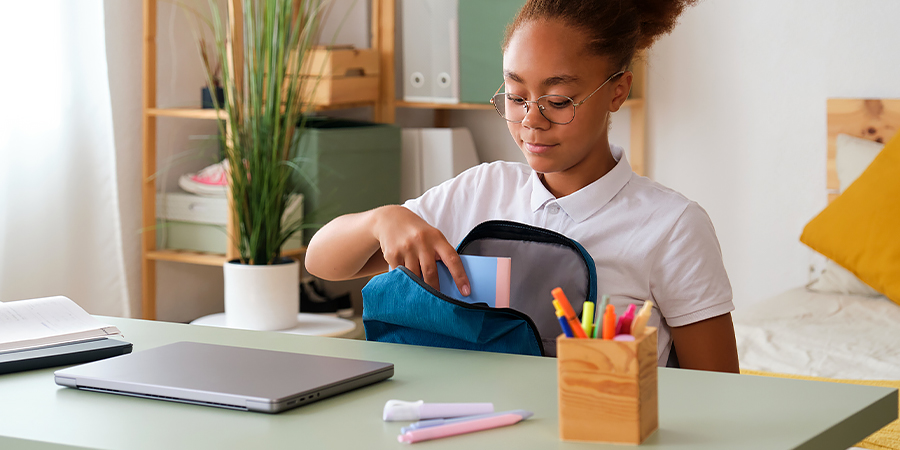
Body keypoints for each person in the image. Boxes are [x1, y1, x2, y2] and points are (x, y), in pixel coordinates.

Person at [306, 0, 740, 373]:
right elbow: (322, 263)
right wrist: (382, 220)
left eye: (558, 101)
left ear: (617, 91)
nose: (532, 120)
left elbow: (715, 394)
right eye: (515, 97)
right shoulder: (480, 190)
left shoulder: (672, 227)